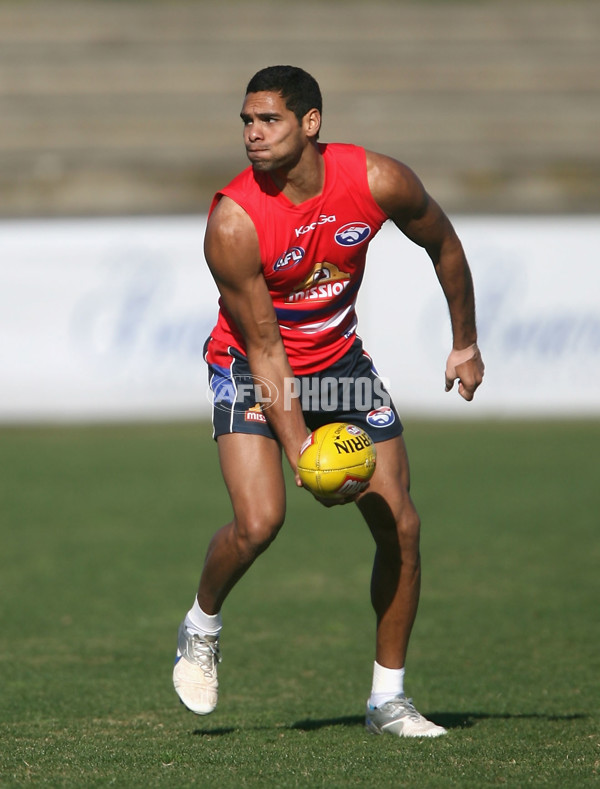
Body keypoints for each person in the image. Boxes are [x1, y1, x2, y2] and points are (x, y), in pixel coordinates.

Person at [173, 65, 484, 738]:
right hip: (250, 367)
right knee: (260, 523)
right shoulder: (233, 219)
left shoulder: (377, 181)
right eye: (246, 122)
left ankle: (387, 700)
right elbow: (262, 346)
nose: (253, 134)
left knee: (401, 525)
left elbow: (444, 242)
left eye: (269, 120)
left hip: (339, 366)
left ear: (310, 123)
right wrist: (302, 450)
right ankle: (202, 622)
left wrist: (464, 342)